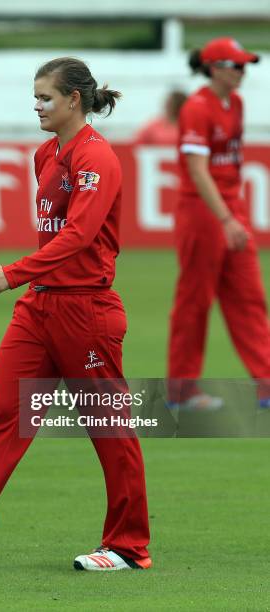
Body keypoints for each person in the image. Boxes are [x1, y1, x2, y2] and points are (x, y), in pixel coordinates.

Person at [0, 57, 151, 572]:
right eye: (35, 97)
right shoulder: (46, 154)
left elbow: (79, 236)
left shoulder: (97, 159)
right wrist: (26, 279)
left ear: (74, 101)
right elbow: (57, 238)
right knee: (2, 417)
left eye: (45, 98)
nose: (36, 106)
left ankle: (128, 547)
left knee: (109, 430)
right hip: (39, 307)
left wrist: (11, 273)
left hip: (86, 310)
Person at [167, 38, 270, 410]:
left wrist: (233, 214)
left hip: (230, 208)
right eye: (236, 66)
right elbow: (197, 170)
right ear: (214, 68)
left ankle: (267, 383)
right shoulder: (197, 108)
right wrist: (226, 218)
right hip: (203, 212)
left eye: (245, 66)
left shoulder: (236, 103)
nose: (243, 72)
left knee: (249, 297)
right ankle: (182, 391)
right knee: (194, 301)